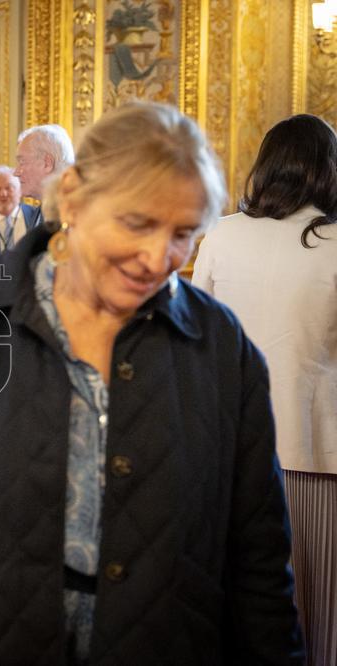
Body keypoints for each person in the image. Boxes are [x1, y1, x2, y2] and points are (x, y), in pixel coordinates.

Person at [0, 102, 304, 664]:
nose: (157, 258)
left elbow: (259, 562)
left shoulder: (220, 348)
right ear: (73, 196)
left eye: (184, 234)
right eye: (138, 223)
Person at [192, 113, 337, 665]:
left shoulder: (225, 234)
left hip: (231, 450)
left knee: (240, 615)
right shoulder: (334, 242)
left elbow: (197, 335)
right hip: (316, 451)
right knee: (316, 617)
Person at [13, 123, 75, 227]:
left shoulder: (73, 214)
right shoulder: (38, 213)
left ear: (47, 163)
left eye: (22, 162)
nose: (16, 172)